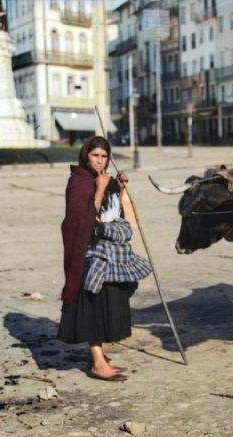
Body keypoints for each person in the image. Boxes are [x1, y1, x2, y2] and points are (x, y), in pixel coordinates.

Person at [57, 136, 152, 381]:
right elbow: (82, 218)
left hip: (112, 254)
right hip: (89, 254)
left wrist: (117, 188)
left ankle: (100, 357)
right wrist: (100, 188)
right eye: (95, 156)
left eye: (104, 156)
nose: (100, 161)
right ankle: (98, 362)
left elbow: (111, 212)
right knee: (92, 306)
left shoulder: (105, 179)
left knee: (108, 303)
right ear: (85, 155)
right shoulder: (78, 181)